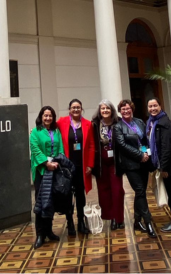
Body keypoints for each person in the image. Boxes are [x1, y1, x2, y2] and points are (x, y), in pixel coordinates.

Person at [113, 99, 157, 238]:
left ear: (132, 109)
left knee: (141, 192)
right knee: (139, 190)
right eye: (123, 109)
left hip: (144, 162)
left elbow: (146, 139)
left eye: (128, 109)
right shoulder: (118, 127)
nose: (126, 111)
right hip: (130, 164)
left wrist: (147, 154)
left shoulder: (139, 122)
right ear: (120, 111)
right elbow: (122, 145)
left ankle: (137, 221)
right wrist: (139, 155)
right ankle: (148, 221)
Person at [146, 97, 171, 233]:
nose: (152, 108)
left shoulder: (164, 123)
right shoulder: (152, 123)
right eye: (150, 106)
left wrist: (163, 168)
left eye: (155, 106)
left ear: (160, 106)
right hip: (167, 163)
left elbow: (166, 147)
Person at [57, 99, 95, 236]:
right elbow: (49, 129)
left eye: (78, 107)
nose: (76, 110)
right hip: (67, 167)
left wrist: (90, 164)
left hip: (82, 166)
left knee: (80, 196)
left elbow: (91, 145)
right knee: (67, 196)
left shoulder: (87, 124)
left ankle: (81, 222)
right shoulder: (62, 122)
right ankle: (70, 223)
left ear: (81, 109)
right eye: (73, 107)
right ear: (69, 110)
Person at [30, 106, 64, 249]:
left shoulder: (56, 131)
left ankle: (49, 231)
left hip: (54, 170)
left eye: (50, 116)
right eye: (45, 116)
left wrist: (58, 161)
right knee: (41, 203)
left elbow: (60, 148)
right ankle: (40, 235)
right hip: (42, 171)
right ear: (41, 117)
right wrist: (46, 163)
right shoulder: (35, 132)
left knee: (51, 201)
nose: (48, 118)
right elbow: (35, 149)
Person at [92, 99, 125, 230]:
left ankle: (119, 218)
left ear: (112, 111)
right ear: (100, 111)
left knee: (117, 191)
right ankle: (111, 218)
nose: (105, 111)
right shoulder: (94, 124)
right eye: (103, 108)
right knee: (104, 192)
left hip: (115, 163)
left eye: (108, 108)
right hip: (101, 163)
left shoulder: (119, 123)